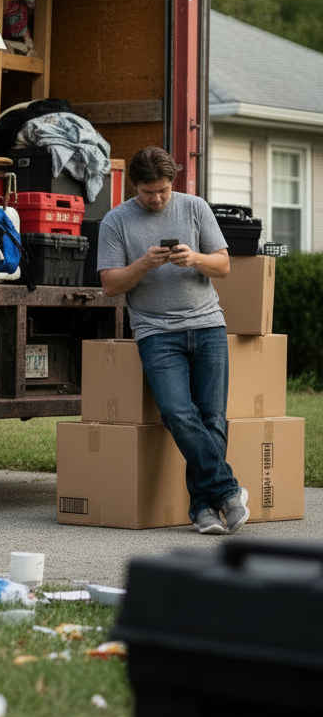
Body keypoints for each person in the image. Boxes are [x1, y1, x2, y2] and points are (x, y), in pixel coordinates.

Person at [97, 146, 249, 535]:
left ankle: (203, 508)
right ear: (135, 186)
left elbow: (225, 265)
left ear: (172, 183)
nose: (158, 199)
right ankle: (229, 491)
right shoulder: (116, 221)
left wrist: (194, 259)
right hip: (156, 332)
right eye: (149, 192)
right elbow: (111, 285)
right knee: (177, 413)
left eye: (164, 190)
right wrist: (144, 263)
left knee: (213, 417)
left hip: (208, 326)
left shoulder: (195, 207)